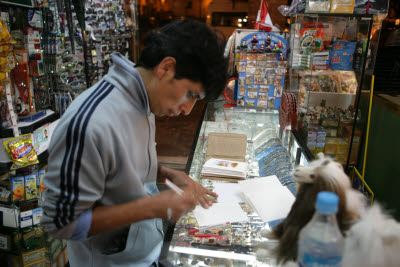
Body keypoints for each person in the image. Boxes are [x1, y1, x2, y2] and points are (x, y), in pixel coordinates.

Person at [41, 20, 227, 267]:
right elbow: (60, 223)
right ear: (166, 68)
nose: (186, 110)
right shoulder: (90, 123)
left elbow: (119, 163)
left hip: (142, 254)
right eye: (190, 94)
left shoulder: (143, 99)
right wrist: (152, 207)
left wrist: (167, 174)